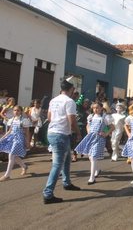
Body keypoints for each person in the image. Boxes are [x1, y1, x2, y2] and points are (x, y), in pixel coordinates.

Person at [42, 76, 82, 204]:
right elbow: (72, 120)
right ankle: (48, 194)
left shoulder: (54, 100)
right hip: (61, 134)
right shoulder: (70, 102)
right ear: (72, 89)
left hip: (53, 132)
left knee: (67, 159)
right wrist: (78, 133)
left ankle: (67, 182)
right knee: (57, 164)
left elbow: (49, 117)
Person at [75, 102, 114, 184]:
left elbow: (112, 127)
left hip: (99, 138)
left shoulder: (105, 117)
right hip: (90, 137)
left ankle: (92, 178)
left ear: (101, 108)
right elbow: (88, 125)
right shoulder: (91, 116)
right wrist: (89, 131)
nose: (95, 110)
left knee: (93, 157)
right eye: (94, 108)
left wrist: (105, 133)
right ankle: (97, 170)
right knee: (90, 156)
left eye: (97, 108)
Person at [0, 105, 31, 181]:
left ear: (21, 112)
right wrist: (2, 138)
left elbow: (27, 132)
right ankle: (24, 166)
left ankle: (7, 175)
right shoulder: (12, 119)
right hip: (12, 138)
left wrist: (27, 142)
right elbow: (10, 131)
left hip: (19, 139)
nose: (16, 112)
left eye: (18, 110)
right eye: (14, 110)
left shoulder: (24, 120)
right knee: (15, 155)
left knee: (11, 155)